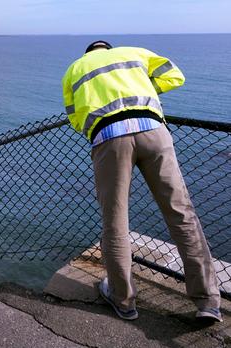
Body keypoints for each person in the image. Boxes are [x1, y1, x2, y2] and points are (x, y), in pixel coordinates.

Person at [61, 40, 222, 323]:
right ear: (108, 48)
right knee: (181, 214)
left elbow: (74, 116)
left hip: (110, 138)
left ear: (89, 52)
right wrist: (144, 91)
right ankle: (208, 301)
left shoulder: (74, 69)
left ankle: (123, 300)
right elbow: (175, 76)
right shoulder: (133, 53)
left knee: (115, 222)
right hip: (153, 131)